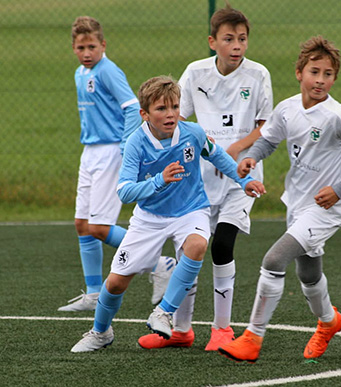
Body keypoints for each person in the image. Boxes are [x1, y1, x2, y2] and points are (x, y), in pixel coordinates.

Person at [217, 36, 341, 363]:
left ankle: (252, 337)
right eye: (314, 72)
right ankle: (329, 321)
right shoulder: (288, 108)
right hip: (297, 203)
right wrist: (251, 157)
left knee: (274, 260)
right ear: (299, 73)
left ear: (335, 79)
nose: (320, 80)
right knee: (307, 274)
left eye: (328, 74)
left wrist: (340, 189)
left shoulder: (339, 116)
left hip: (326, 209)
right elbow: (268, 140)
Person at [70, 75, 265, 352]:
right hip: (149, 218)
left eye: (174, 106)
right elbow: (124, 192)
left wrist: (245, 182)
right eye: (161, 109)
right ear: (145, 114)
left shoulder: (193, 133)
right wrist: (159, 180)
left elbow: (218, 155)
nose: (170, 114)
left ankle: (163, 312)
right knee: (115, 283)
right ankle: (100, 332)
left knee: (197, 245)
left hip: (191, 210)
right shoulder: (136, 142)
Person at [138, 3, 273, 351]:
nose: (237, 45)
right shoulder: (195, 74)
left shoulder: (258, 75)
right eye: (229, 39)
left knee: (222, 245)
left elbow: (265, 127)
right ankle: (181, 329)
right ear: (213, 42)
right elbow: (174, 118)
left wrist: (234, 150)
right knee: (188, 251)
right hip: (196, 181)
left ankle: (222, 329)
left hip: (241, 176)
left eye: (242, 39)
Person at [61, 16, 175, 312]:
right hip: (90, 152)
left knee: (99, 227)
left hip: (111, 151)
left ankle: (160, 263)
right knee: (82, 225)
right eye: (81, 47)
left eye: (92, 46)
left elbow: (130, 108)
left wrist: (125, 146)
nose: (87, 53)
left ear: (103, 45)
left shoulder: (108, 71)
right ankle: (94, 293)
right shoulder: (79, 73)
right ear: (73, 48)